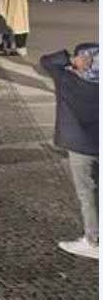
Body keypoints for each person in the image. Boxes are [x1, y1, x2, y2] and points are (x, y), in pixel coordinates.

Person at [41, 43, 98, 259]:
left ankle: (94, 241)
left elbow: (46, 61)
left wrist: (68, 60)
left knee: (88, 193)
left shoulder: (67, 80)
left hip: (81, 146)